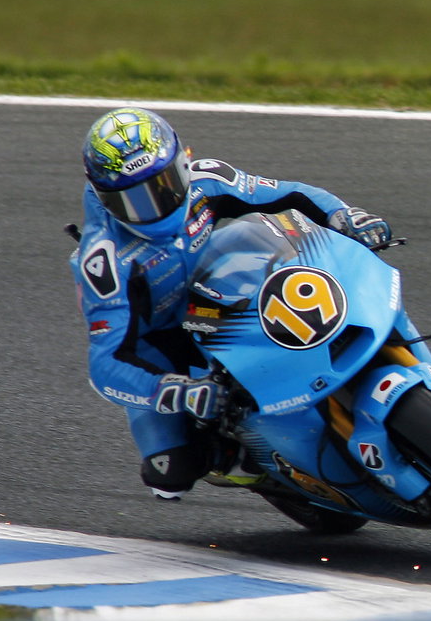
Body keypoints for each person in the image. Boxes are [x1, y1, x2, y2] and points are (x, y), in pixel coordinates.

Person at [70, 106, 395, 500]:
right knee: (170, 472)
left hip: (223, 295)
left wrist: (344, 215)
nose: (156, 206)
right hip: (161, 344)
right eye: (135, 200)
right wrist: (174, 389)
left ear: (183, 162)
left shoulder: (207, 180)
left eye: (165, 184)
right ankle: (249, 463)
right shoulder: (103, 260)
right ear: (106, 200)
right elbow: (105, 363)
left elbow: (290, 194)